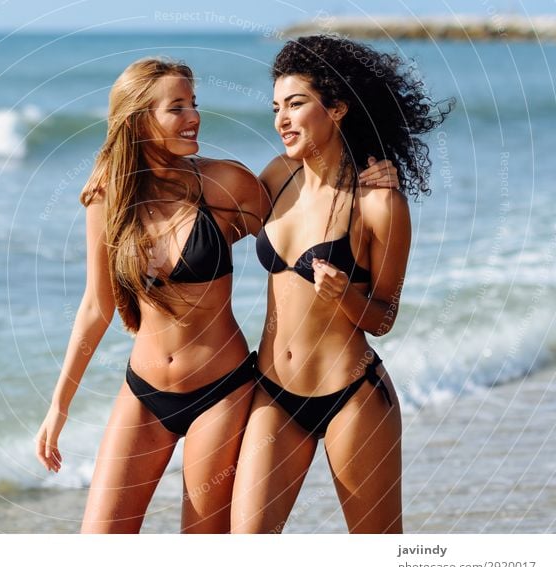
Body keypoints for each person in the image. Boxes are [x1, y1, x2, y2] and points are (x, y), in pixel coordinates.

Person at [35, 57, 398, 534]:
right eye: (177, 107)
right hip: (143, 389)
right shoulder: (111, 196)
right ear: (139, 118)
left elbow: (306, 202)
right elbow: (96, 304)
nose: (194, 116)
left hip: (222, 391)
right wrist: (58, 406)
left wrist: (370, 177)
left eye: (194, 103)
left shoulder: (227, 185)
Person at [231, 35, 450, 534]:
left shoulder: (379, 204)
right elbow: (216, 212)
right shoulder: (278, 177)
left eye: (296, 104)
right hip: (273, 394)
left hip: (352, 395)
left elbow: (385, 316)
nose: (281, 119)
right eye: (276, 107)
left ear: (337, 109)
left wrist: (345, 295)